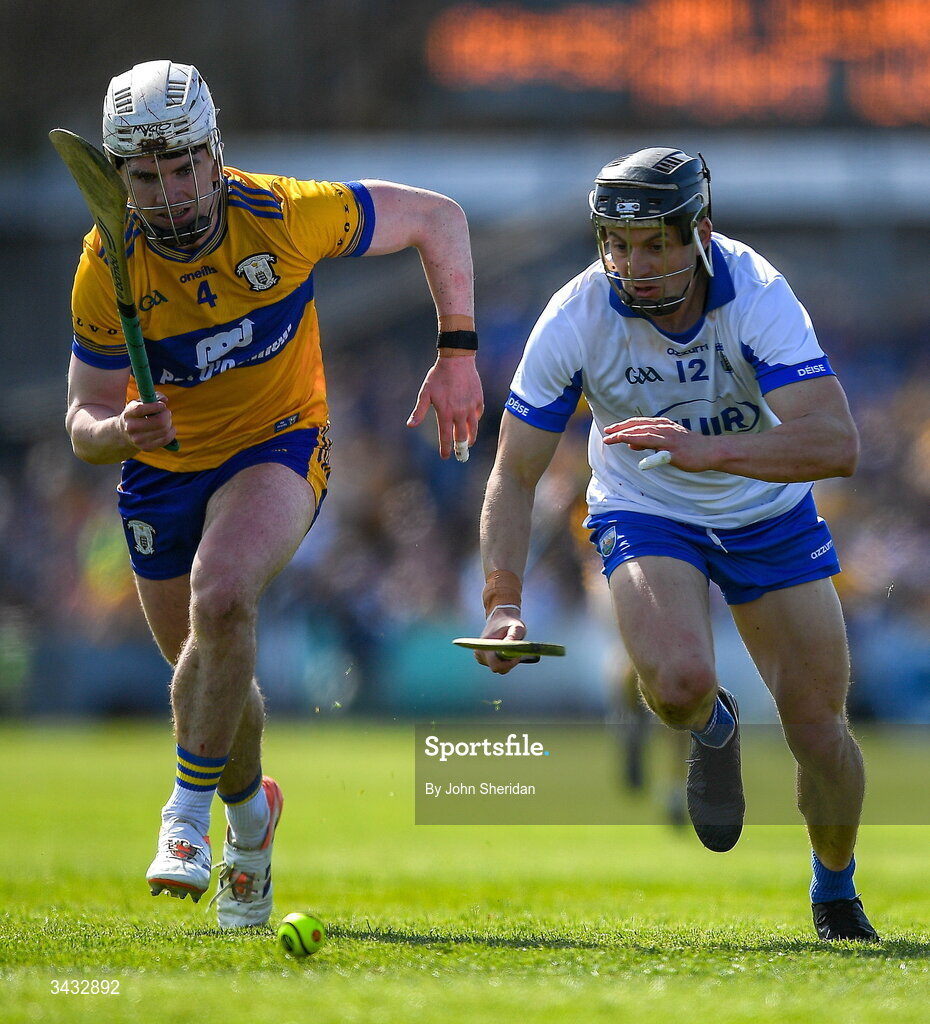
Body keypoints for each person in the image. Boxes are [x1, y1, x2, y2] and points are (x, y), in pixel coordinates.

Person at [64, 60, 483, 929]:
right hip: (162, 474)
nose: (171, 193)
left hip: (280, 443)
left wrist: (458, 353)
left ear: (217, 154)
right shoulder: (108, 265)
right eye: (145, 175)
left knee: (223, 600)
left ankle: (184, 823)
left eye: (184, 166)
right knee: (214, 673)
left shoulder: (288, 213)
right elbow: (83, 415)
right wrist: (118, 435)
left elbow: (439, 220)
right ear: (118, 178)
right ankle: (251, 825)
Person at [474, 147, 879, 942]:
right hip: (644, 507)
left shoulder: (756, 292)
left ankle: (834, 887)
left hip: (767, 509)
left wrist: (710, 450)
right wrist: (502, 603)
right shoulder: (577, 314)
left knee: (819, 731)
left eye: (656, 243)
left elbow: (837, 444)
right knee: (679, 680)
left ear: (700, 232)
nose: (636, 264)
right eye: (619, 244)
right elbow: (514, 473)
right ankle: (711, 726)